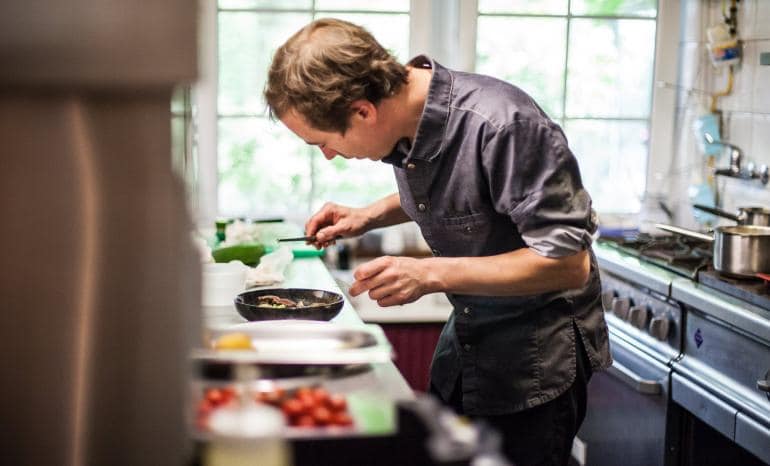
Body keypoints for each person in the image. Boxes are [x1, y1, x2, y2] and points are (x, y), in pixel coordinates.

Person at [264, 18, 612, 466]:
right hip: (468, 336)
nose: (328, 155)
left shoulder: (503, 125)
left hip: (535, 361)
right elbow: (466, 192)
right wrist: (369, 215)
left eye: (323, 143)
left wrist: (428, 272)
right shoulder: (406, 121)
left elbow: (567, 263)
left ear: (363, 111)